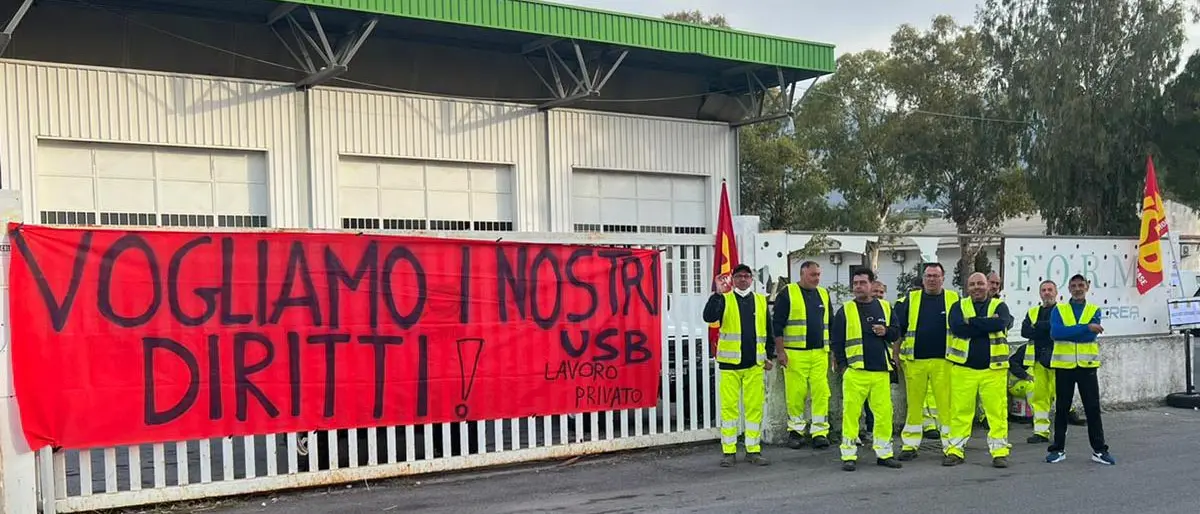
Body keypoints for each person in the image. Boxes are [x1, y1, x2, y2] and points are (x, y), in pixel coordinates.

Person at [831, 267, 903, 472]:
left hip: (880, 371)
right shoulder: (845, 310)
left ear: (872, 285)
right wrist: (843, 367)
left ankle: (884, 453)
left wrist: (885, 331)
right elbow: (836, 341)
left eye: (863, 282)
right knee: (851, 415)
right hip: (855, 371)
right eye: (855, 283)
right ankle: (848, 454)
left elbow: (896, 333)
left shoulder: (885, 308)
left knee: (883, 415)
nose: (858, 287)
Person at [945, 272, 1014, 468]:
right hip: (963, 368)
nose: (977, 287)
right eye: (973, 284)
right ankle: (955, 451)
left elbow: (1001, 323)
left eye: (980, 284)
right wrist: (986, 323)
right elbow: (958, 328)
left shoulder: (999, 306)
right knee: (960, 412)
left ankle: (999, 452)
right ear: (967, 288)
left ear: (988, 286)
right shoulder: (958, 306)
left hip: (994, 369)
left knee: (997, 413)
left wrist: (972, 321)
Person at [891, 263, 959, 461]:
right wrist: (895, 355)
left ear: (942, 278)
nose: (931, 279)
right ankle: (910, 445)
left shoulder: (954, 300)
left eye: (936, 276)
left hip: (945, 361)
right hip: (915, 362)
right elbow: (899, 331)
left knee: (946, 407)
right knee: (914, 406)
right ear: (923, 279)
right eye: (928, 276)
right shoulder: (909, 301)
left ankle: (951, 447)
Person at [1046, 275, 1115, 465]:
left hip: (1087, 367)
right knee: (1062, 409)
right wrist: (1086, 327)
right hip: (1064, 366)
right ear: (1068, 288)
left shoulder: (1094, 309)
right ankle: (1058, 449)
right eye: (1074, 286)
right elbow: (1056, 333)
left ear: (1087, 287)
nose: (1077, 289)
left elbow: (1089, 339)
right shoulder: (1059, 309)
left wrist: (1076, 332)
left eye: (1081, 285)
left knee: (1093, 409)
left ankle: (1099, 450)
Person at [772, 261, 833, 450]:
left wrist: (831, 353)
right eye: (813, 275)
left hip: (819, 353)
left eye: (818, 274)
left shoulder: (823, 294)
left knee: (821, 393)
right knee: (796, 394)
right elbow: (777, 325)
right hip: (795, 353)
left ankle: (820, 432)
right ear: (802, 274)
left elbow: (830, 325)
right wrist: (780, 351)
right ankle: (796, 431)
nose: (817, 278)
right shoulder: (787, 293)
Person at [1013, 280, 1059, 443]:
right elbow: (1025, 331)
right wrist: (1045, 328)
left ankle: (1061, 433)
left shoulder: (1062, 310)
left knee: (1060, 398)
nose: (1047, 293)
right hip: (1038, 362)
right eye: (1044, 290)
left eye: (1050, 290)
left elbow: (1057, 329)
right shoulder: (1033, 311)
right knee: (1039, 398)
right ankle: (1041, 432)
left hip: (1057, 361)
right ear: (1040, 293)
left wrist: (1037, 327)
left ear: (1056, 292)